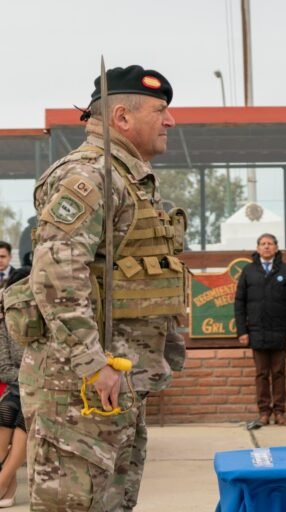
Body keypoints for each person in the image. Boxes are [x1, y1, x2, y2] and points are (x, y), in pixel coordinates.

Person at [20, 65, 188, 511]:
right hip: (79, 386)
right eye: (161, 110)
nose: (170, 121)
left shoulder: (128, 178)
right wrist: (93, 363)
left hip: (115, 381)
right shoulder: (91, 175)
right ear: (122, 117)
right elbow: (56, 271)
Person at [235, 233, 286, 428]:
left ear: (276, 248)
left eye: (270, 244)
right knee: (262, 374)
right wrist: (242, 331)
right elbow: (239, 303)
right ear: (257, 248)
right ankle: (264, 412)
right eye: (263, 244)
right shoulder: (248, 271)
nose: (266, 247)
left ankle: (280, 412)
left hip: (281, 332)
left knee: (279, 373)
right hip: (257, 332)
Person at [0, 266, 30, 508]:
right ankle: (7, 482)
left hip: (43, 390)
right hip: (18, 386)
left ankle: (3, 481)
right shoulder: (4, 322)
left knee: (24, 416)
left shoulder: (49, 320)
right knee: (7, 411)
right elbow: (3, 366)